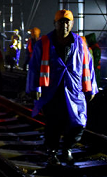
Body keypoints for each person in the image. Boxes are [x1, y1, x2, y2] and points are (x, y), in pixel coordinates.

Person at [27, 9, 98, 165]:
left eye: (67, 22)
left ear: (72, 24)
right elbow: (34, 67)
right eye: (61, 22)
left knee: (78, 122)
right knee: (54, 122)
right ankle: (52, 152)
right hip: (52, 90)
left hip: (74, 89)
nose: (64, 25)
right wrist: (35, 87)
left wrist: (91, 87)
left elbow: (88, 66)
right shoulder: (44, 43)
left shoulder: (80, 43)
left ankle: (67, 149)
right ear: (55, 23)